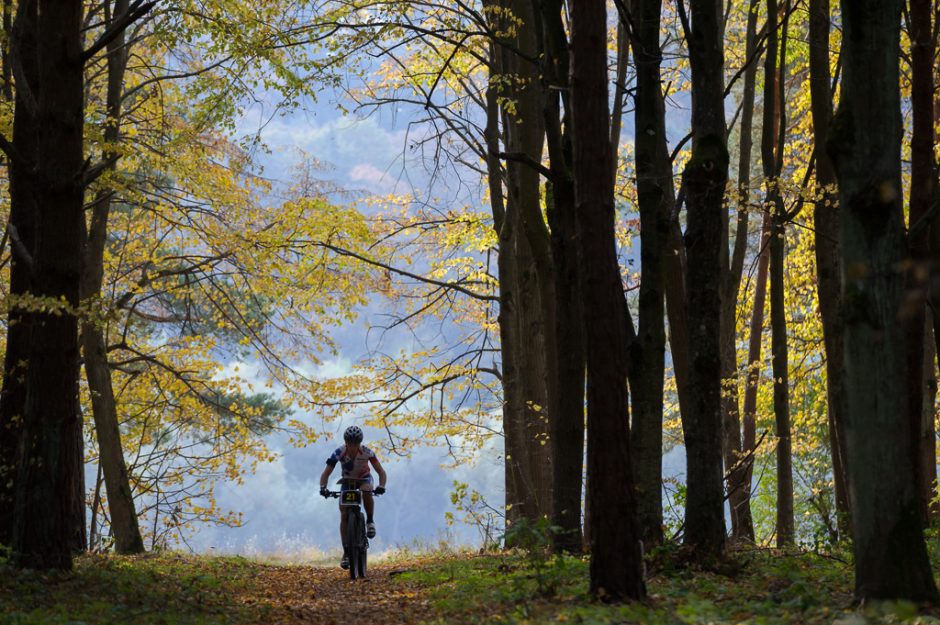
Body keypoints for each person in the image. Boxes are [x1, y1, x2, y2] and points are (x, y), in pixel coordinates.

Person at [319, 425, 387, 569]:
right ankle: (346, 553)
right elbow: (326, 473)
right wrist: (323, 488)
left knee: (367, 490)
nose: (353, 447)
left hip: (364, 479)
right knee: (343, 513)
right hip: (348, 482)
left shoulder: (368, 452)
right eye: (350, 444)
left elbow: (381, 472)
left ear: (359, 443)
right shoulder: (339, 452)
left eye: (356, 444)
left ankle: (369, 521)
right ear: (346, 443)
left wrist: (381, 486)